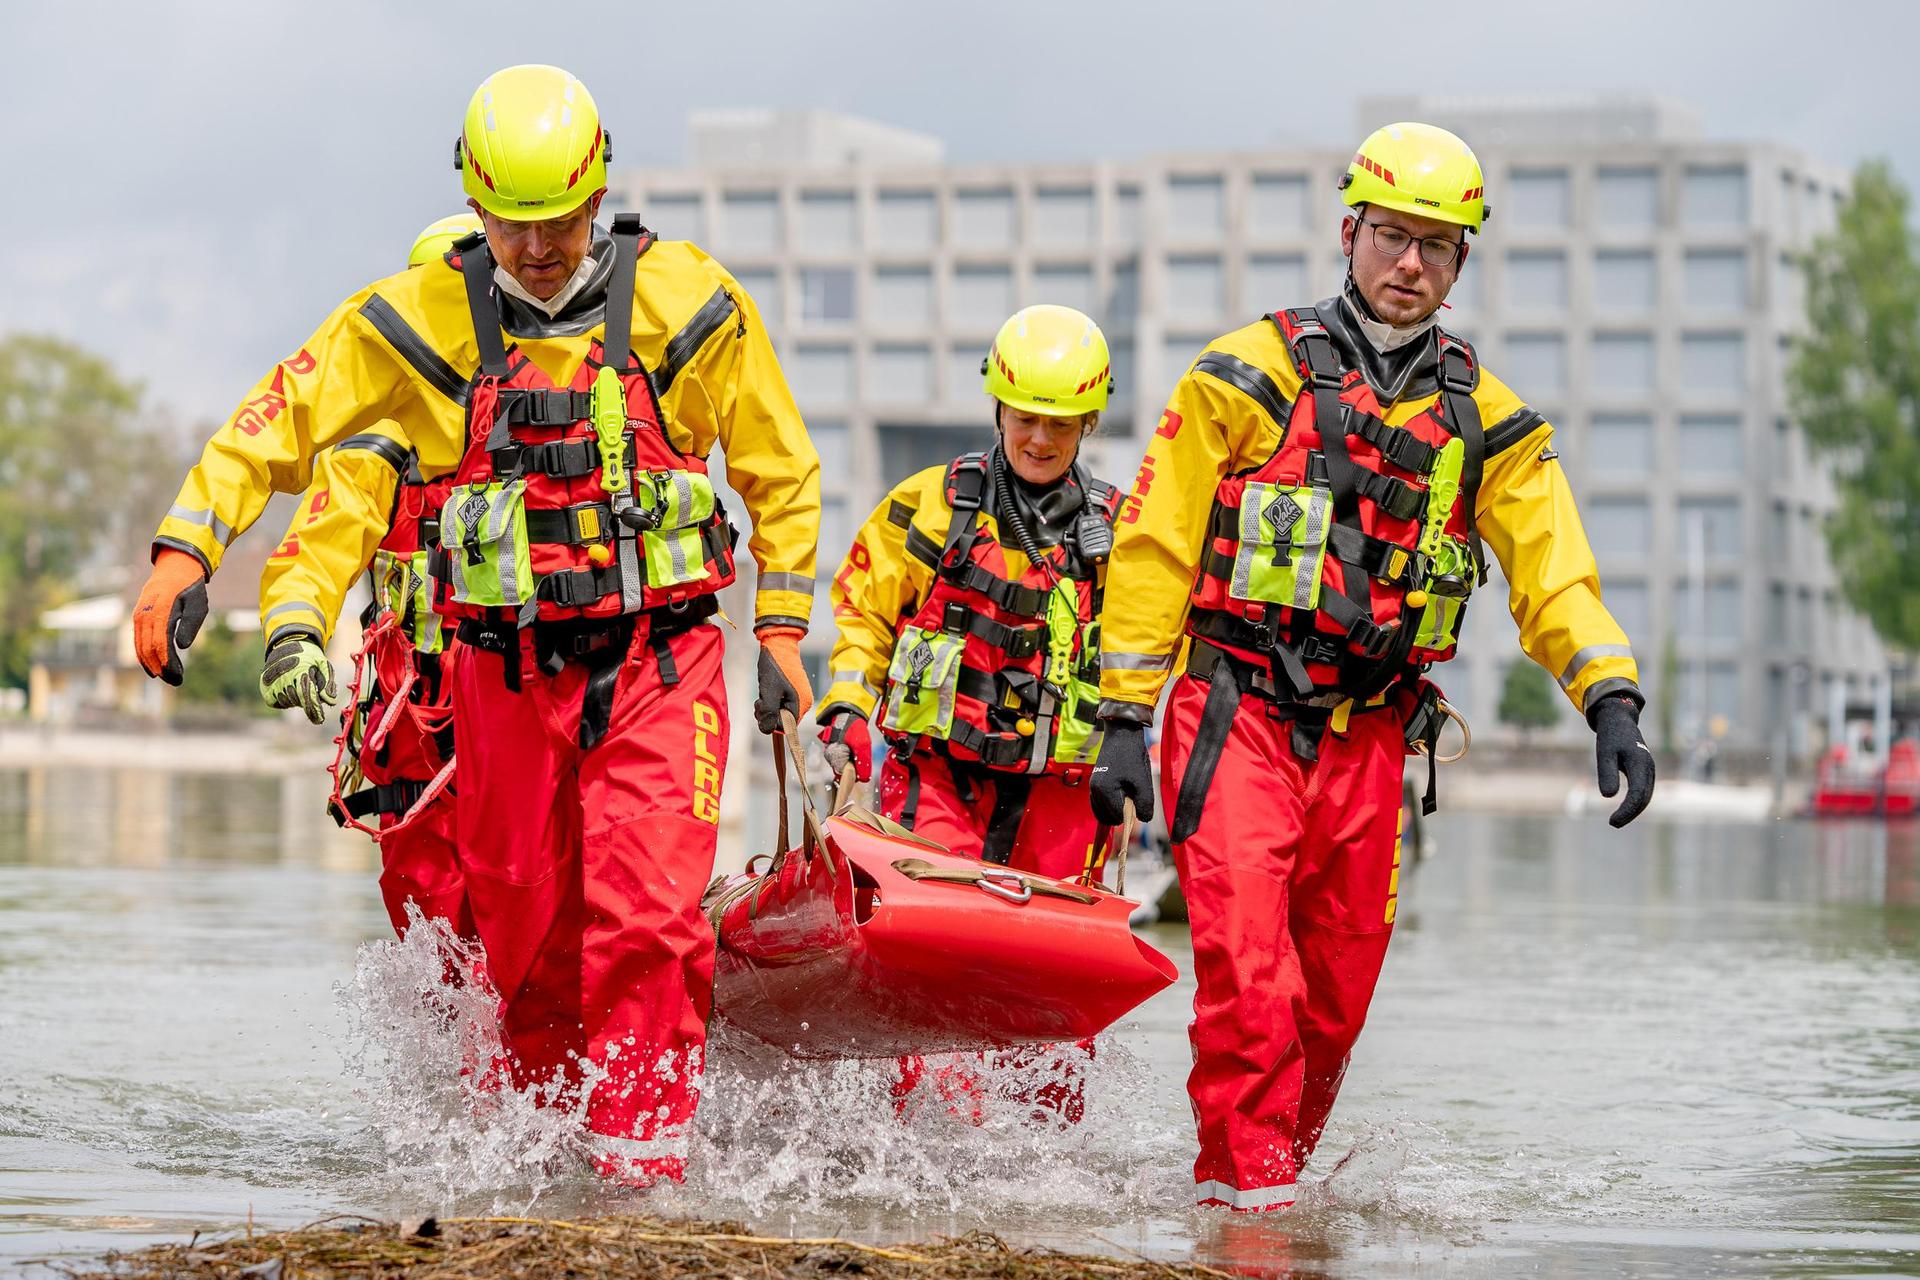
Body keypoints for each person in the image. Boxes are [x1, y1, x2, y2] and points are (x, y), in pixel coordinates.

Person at [133, 65, 820, 1187]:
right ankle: (542, 1174)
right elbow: (279, 417)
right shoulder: (414, 321)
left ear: (598, 195)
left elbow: (781, 472)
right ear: (475, 200)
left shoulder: (692, 303)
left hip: (662, 659)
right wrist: (183, 553)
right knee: (528, 943)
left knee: (645, 920)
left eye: (556, 221)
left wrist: (783, 633)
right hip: (501, 677)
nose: (536, 246)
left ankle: (641, 1181)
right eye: (512, 220)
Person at [1088, 122, 1656, 1211]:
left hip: (1375, 740)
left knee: (1331, 1004)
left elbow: (1554, 573)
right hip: (1238, 712)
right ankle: (1245, 1212)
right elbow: (1155, 546)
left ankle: (1260, 1187)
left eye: (1437, 247)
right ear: (1348, 231)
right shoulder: (1242, 376)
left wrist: (1610, 697)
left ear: (1462, 265)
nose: (1410, 264)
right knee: (1252, 985)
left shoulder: (1489, 424)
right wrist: (1121, 714)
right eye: (1393, 236)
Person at [817, 304, 1119, 877]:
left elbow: (1152, 650)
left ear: (1088, 425)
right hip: (939, 782)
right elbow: (863, 615)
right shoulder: (927, 506)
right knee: (930, 918)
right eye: (1026, 417)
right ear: (999, 409)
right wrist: (848, 708)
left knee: (1051, 946)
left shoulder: (1121, 535)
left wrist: (1130, 741)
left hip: (1064, 797)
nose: (1039, 438)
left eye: (1061, 424)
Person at [254, 213, 483, 943]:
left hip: (535, 696)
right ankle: (466, 1036)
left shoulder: (562, 415)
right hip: (420, 722)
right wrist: (293, 631)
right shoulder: (378, 452)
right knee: (436, 917)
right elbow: (317, 546)